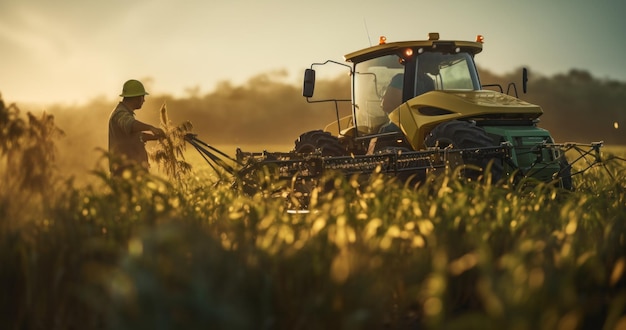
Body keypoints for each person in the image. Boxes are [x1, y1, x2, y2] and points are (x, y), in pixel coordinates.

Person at [108, 79, 165, 176]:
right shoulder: (120, 114)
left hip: (134, 173)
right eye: (143, 97)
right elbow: (131, 125)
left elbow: (136, 137)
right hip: (125, 174)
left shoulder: (125, 113)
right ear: (137, 98)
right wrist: (151, 127)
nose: (144, 100)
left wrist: (156, 137)